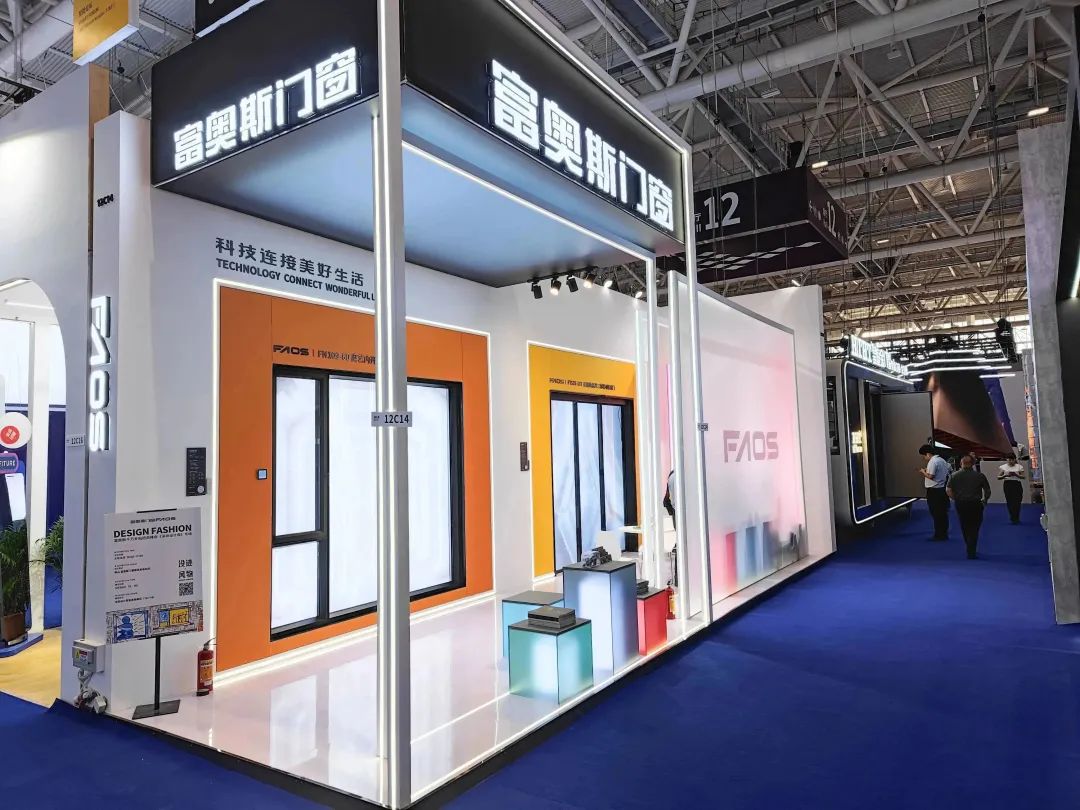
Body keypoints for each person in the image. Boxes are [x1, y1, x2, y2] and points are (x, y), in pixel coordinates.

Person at [947, 455, 992, 559]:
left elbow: (948, 490)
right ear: (972, 464)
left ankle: (968, 544)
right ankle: (972, 547)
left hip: (961, 504)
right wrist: (985, 500)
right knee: (975, 526)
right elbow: (987, 490)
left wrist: (955, 499)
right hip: (975, 504)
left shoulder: (954, 475)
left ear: (961, 463)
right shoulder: (980, 476)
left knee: (964, 525)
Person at [919, 444, 951, 541]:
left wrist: (923, 472)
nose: (924, 458)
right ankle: (944, 533)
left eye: (924, 456)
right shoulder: (942, 460)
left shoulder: (933, 462)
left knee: (936, 513)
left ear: (928, 454)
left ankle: (939, 534)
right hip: (942, 489)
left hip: (934, 490)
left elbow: (931, 476)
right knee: (943, 512)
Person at [997, 453, 1026, 524]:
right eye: (1009, 459)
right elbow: (998, 477)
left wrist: (1016, 475)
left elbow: (1023, 477)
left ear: (1014, 459)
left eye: (1012, 459)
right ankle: (1013, 517)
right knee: (1010, 501)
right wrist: (1005, 475)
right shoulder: (1003, 467)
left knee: (1017, 501)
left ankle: (1016, 516)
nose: (1010, 461)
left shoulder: (1019, 466)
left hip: (1016, 484)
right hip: (1008, 484)